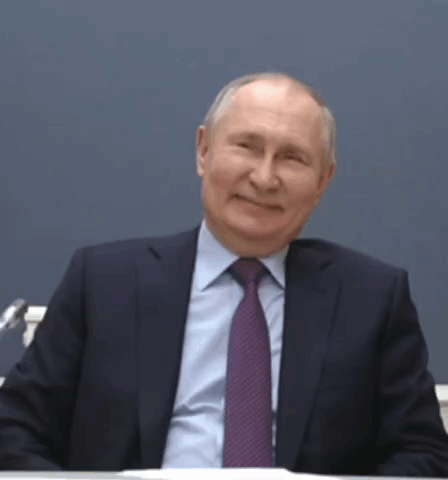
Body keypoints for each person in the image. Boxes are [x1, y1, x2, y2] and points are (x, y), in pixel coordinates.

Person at [0, 72, 447, 477]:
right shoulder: (103, 282)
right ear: (204, 150)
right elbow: (14, 429)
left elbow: (423, 452)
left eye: (292, 157)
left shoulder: (371, 298)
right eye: (247, 146)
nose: (265, 177)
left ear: (323, 180)